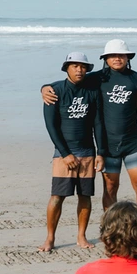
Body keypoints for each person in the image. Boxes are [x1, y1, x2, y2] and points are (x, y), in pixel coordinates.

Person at [42, 39, 137, 246]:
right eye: (113, 56)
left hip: (133, 144)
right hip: (107, 148)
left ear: (127, 58)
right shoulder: (96, 79)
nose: (117, 58)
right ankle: (113, 231)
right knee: (110, 188)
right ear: (105, 59)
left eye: (121, 55)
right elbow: (70, 82)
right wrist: (44, 88)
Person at [40, 51, 105, 252]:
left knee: (85, 197)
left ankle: (81, 236)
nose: (79, 69)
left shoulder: (92, 92)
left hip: (87, 153)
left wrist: (100, 153)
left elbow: (98, 124)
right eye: (75, 66)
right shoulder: (55, 91)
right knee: (57, 196)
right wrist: (65, 153)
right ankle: (50, 238)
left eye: (83, 66)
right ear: (66, 68)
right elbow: (51, 126)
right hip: (63, 154)